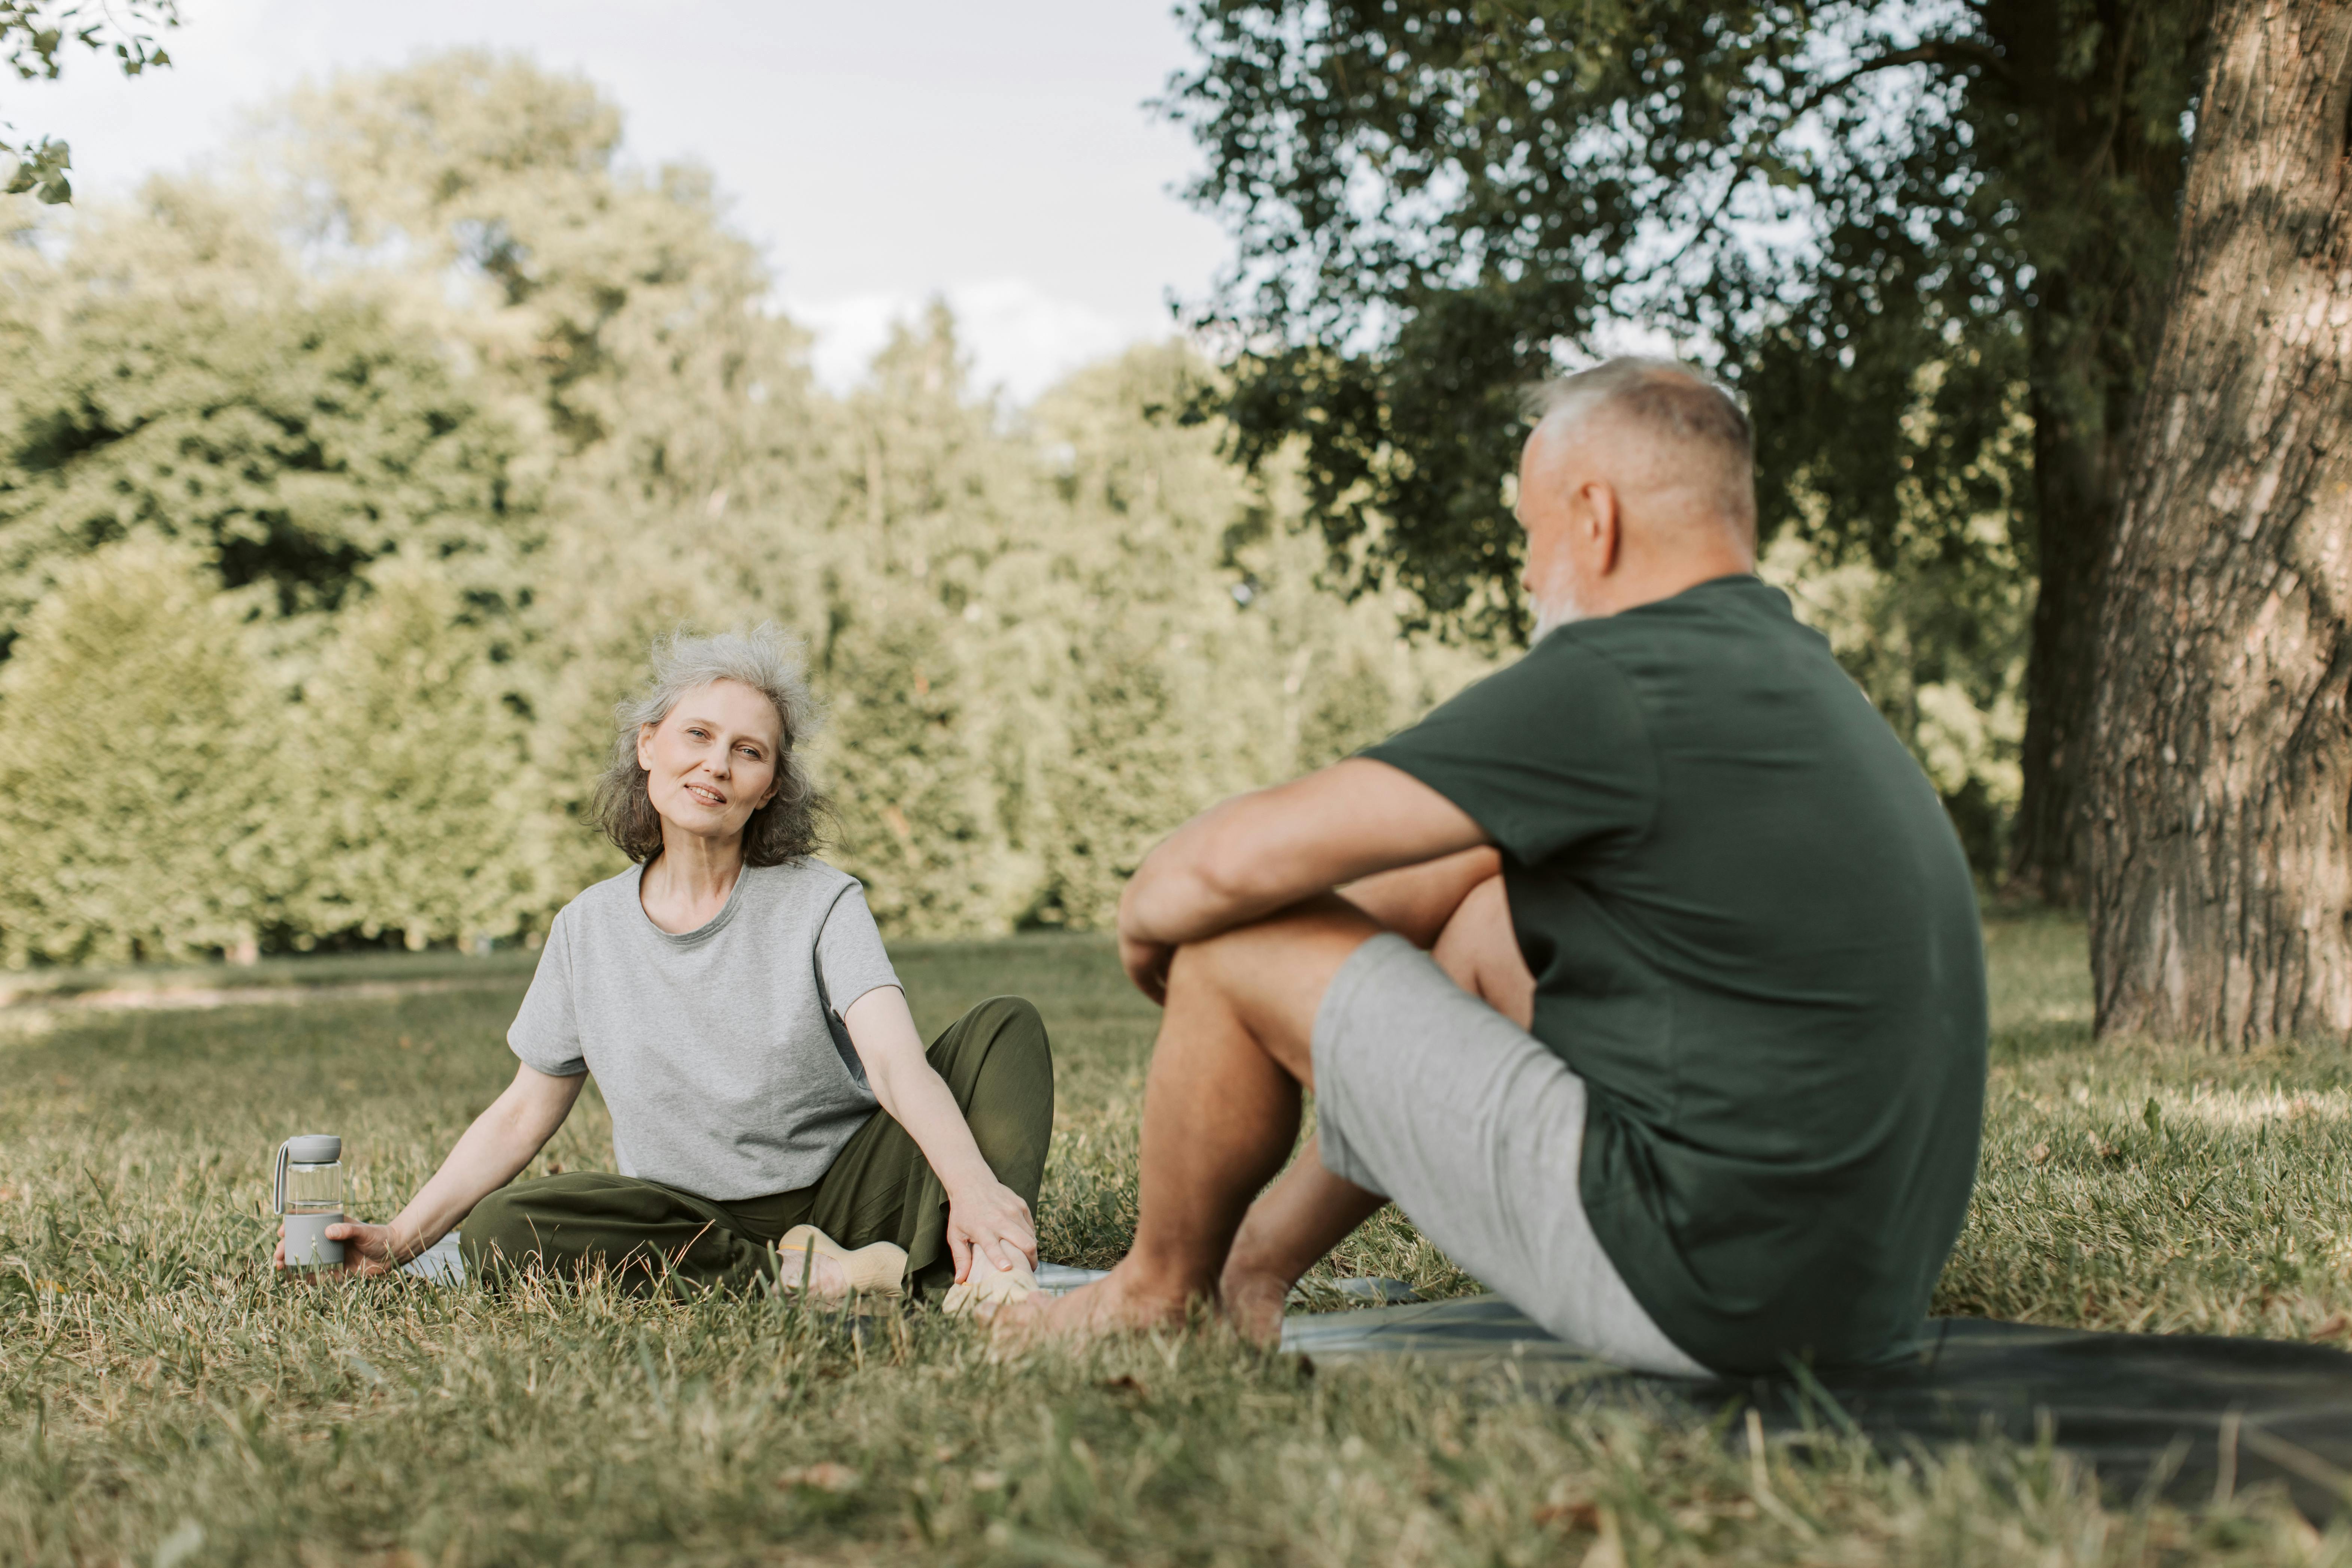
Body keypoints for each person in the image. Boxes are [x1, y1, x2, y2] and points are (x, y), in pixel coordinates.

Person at [1025, 357, 1987, 1376]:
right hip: (1852, 1294)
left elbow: (1207, 876)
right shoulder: (1793, 678)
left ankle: (1151, 1295)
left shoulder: (1619, 679)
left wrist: (1168, 943)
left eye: (1529, 531)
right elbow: (1446, 874)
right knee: (1491, 922)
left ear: (1595, 517)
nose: (1527, 574)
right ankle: (1251, 1268)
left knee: (1236, 942)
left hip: (1712, 1291)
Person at [276, 625, 1054, 1305]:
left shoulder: (822, 901)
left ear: (768, 788)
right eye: (698, 736)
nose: (716, 765)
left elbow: (893, 1064)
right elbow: (522, 1113)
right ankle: (809, 1277)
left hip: (849, 1194)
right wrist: (400, 1240)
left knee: (1003, 1030)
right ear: (649, 746)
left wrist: (972, 1188)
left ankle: (988, 1263)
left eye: (748, 752)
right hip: (685, 1222)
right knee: (502, 1230)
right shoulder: (585, 929)